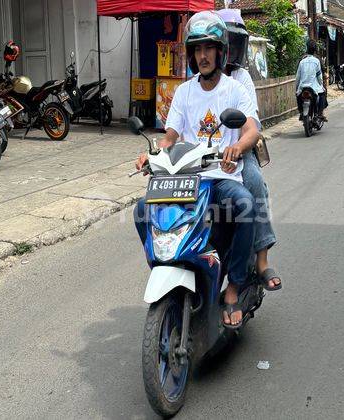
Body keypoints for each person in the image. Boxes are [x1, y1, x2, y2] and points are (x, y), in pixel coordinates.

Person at [134, 11, 260, 328]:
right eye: (197, 49)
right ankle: (170, 268)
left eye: (208, 48)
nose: (202, 56)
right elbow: (170, 137)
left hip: (220, 178)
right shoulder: (185, 92)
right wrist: (150, 155)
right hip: (187, 181)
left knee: (245, 206)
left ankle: (233, 286)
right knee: (140, 211)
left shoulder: (235, 90)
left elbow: (252, 129)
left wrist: (237, 147)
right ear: (191, 54)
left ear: (221, 51)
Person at [216, 7, 281, 291]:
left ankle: (262, 259)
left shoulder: (241, 79)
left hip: (240, 151)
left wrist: (239, 148)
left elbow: (251, 126)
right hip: (206, 156)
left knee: (254, 182)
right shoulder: (195, 80)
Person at [296, 39, 327, 121]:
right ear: (315, 49)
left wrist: (297, 88)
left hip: (302, 86)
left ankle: (301, 112)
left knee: (298, 95)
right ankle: (320, 113)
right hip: (314, 86)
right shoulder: (317, 60)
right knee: (323, 94)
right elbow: (320, 75)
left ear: (307, 48)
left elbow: (298, 76)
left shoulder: (302, 60)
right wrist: (321, 85)